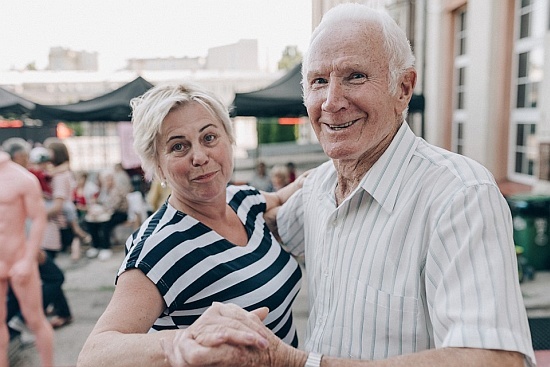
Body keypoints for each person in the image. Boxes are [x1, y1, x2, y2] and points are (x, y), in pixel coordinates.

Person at [160, 4, 536, 367]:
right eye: (319, 81)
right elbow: (262, 223)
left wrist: (290, 362)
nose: (332, 102)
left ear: (403, 88)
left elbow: (497, 359)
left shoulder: (460, 195)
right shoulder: (321, 186)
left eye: (354, 76)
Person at [77, 81, 307, 366]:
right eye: (179, 146)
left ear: (229, 140)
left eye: (209, 138)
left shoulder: (242, 199)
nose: (199, 156)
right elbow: (94, 355)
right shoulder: (160, 245)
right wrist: (185, 341)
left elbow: (290, 193)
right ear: (157, 165)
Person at [0, 150, 54, 367]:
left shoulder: (21, 178)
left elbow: (39, 217)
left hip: (18, 257)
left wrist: (28, 258)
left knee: (35, 320)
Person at [84, 169, 129, 260]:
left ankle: (106, 248)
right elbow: (101, 202)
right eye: (105, 179)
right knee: (90, 222)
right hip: (107, 212)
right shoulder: (104, 190)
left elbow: (113, 206)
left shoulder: (117, 189)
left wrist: (99, 211)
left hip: (120, 213)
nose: (107, 181)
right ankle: (95, 246)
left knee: (105, 224)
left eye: (109, 179)